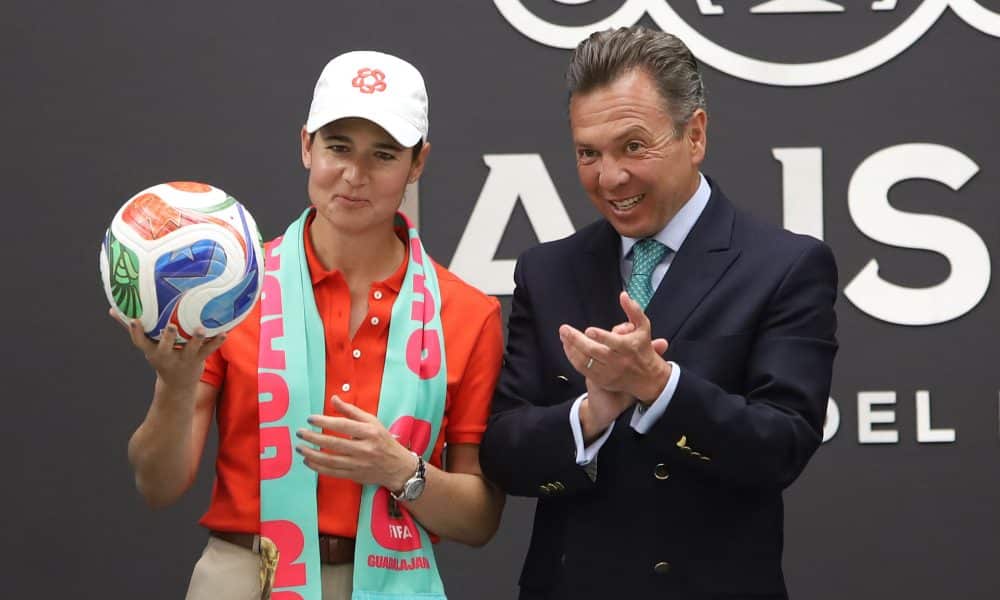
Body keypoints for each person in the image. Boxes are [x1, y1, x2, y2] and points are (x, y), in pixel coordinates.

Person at [120, 50, 505, 600]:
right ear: (306, 145)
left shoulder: (467, 313)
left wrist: (400, 469)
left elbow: (479, 520)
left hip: (390, 581)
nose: (354, 175)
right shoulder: (232, 293)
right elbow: (156, 486)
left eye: (384, 154)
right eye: (337, 147)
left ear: (418, 164)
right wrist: (176, 386)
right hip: (242, 576)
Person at [479, 27, 838, 600]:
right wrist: (591, 414)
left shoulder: (786, 265)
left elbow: (783, 445)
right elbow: (501, 452)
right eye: (588, 153)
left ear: (694, 135)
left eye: (633, 147)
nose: (610, 177)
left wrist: (658, 386)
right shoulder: (547, 271)